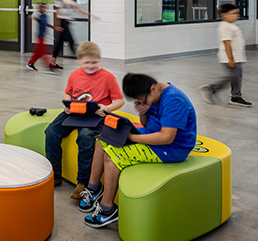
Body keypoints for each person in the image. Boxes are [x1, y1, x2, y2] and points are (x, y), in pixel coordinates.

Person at [78, 73, 197, 228]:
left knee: (113, 155)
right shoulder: (156, 94)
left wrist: (132, 138)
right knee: (103, 140)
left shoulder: (174, 100)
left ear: (153, 88)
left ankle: (108, 209)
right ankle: (93, 189)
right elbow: (148, 126)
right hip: (153, 137)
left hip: (171, 149)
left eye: (143, 100)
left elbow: (166, 138)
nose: (143, 102)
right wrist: (142, 113)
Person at [44, 41, 124, 196]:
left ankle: (83, 182)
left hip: (97, 115)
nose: (91, 65)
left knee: (85, 136)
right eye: (87, 62)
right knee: (51, 132)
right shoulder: (74, 75)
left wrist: (106, 108)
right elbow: (68, 93)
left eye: (95, 62)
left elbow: (120, 101)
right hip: (75, 111)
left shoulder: (108, 77)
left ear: (99, 59)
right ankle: (55, 175)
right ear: (80, 60)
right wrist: (66, 105)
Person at [200, 4, 252, 107]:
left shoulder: (231, 25)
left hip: (237, 57)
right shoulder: (224, 26)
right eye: (232, 13)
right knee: (232, 77)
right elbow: (227, 43)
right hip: (231, 58)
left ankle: (234, 95)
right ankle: (214, 90)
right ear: (224, 15)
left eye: (236, 13)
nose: (235, 15)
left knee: (235, 77)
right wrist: (231, 59)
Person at [49, 0, 92, 70]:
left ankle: (52, 62)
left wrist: (87, 13)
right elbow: (57, 11)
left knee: (59, 43)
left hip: (67, 21)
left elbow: (76, 8)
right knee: (71, 41)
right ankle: (81, 61)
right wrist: (57, 25)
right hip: (62, 21)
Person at [27, 3, 52, 71]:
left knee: (38, 52)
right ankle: (47, 65)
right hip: (40, 37)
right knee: (42, 51)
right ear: (39, 9)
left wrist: (54, 27)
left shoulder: (45, 16)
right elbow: (36, 18)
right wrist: (31, 17)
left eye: (44, 7)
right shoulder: (40, 16)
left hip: (43, 37)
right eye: (42, 7)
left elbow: (46, 24)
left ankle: (30, 64)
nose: (43, 9)